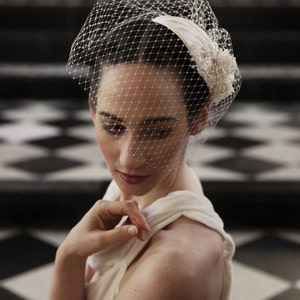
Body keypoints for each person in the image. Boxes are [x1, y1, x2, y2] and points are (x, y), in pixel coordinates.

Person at [49, 0, 241, 299]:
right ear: (92, 108)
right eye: (113, 127)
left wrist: (67, 258)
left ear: (199, 117)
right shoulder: (142, 191)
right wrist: (71, 255)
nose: (129, 158)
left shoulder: (171, 263)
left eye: (158, 132)